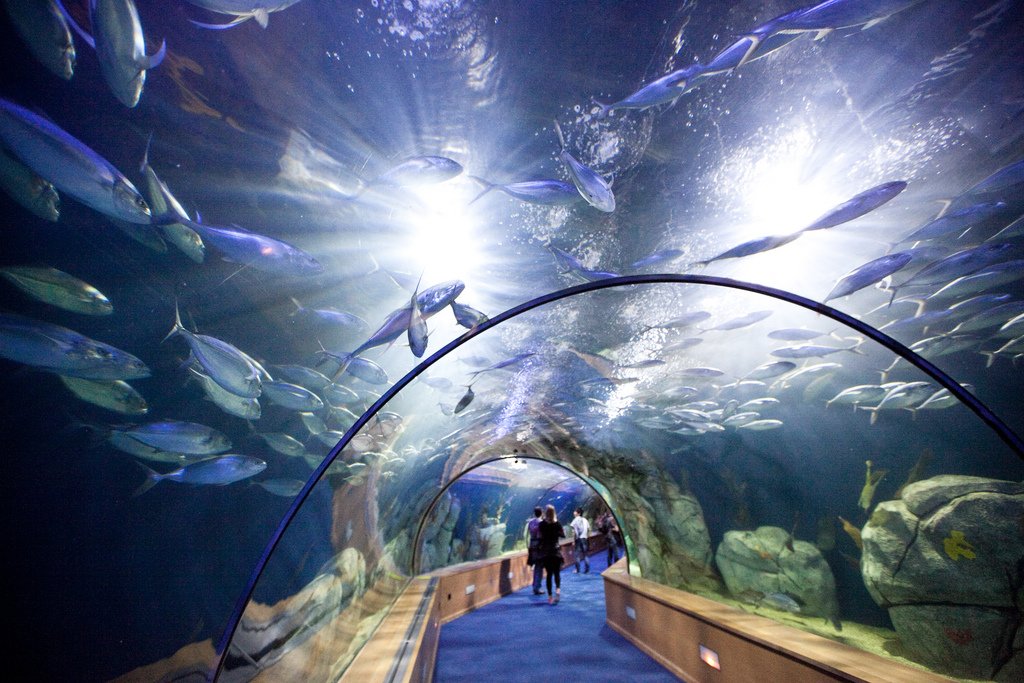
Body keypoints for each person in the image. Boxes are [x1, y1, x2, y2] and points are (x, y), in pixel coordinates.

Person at [538, 504, 565, 604]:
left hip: (546, 553)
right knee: (557, 573)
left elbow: (540, 536)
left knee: (549, 574)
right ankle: (557, 590)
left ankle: (549, 597)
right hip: (556, 552)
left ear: (545, 512)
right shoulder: (557, 524)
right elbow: (563, 535)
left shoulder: (542, 524)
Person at [525, 506, 544, 595]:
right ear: (541, 513)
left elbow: (527, 535)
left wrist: (528, 546)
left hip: (532, 545)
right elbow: (541, 535)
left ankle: (535, 585)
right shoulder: (541, 523)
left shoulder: (530, 522)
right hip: (539, 546)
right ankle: (537, 587)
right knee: (539, 567)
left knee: (536, 566)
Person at [570, 507, 590, 574]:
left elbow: (574, 532)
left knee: (577, 555)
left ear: (578, 513)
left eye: (575, 511)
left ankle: (577, 570)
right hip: (584, 538)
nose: (573, 512)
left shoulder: (575, 520)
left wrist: (573, 540)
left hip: (578, 539)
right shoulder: (585, 520)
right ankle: (587, 570)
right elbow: (589, 529)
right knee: (585, 555)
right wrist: (587, 536)